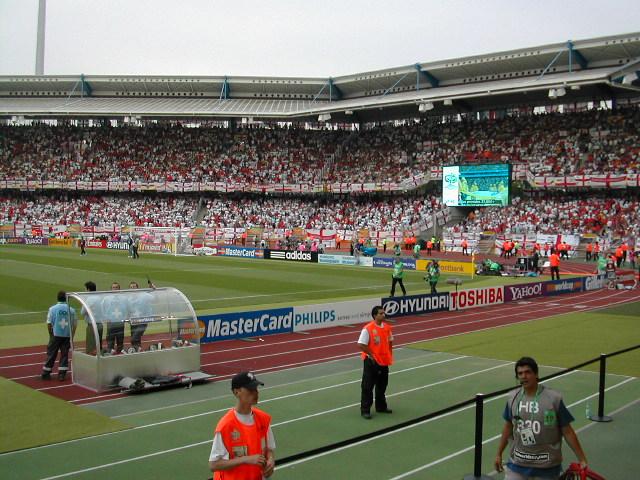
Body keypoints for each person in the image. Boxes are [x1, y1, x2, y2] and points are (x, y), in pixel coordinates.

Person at [495, 356, 588, 479]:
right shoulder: (513, 398)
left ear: (536, 374)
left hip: (547, 466)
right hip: (517, 464)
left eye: (528, 372)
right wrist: (498, 453)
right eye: (520, 373)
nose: (524, 376)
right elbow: (508, 426)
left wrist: (582, 459)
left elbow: (567, 431)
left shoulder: (553, 399)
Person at [209, 371, 275, 479]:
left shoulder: (263, 419)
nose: (256, 393)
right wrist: (246, 459)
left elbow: (269, 449)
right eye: (250, 389)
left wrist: (271, 461)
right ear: (236, 392)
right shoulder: (226, 425)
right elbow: (213, 464)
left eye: (256, 389)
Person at [357, 306, 393, 419]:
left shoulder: (387, 327)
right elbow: (361, 344)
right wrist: (372, 355)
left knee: (382, 385)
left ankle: (381, 406)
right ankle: (365, 410)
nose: (384, 315)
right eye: (381, 313)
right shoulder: (367, 328)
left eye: (384, 313)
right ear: (375, 316)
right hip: (371, 362)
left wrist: (389, 355)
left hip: (384, 361)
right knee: (367, 386)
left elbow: (390, 341)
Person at [41, 291, 76, 381]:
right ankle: (62, 375)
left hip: (55, 335)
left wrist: (51, 335)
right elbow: (74, 324)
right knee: (64, 354)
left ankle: (46, 372)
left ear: (57, 298)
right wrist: (72, 335)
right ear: (66, 298)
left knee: (51, 353)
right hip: (67, 335)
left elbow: (49, 323)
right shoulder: (71, 310)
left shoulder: (52, 309)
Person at [103, 282, 126, 354]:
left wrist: (125, 317)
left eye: (116, 287)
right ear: (111, 289)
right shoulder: (106, 298)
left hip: (120, 322)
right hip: (111, 322)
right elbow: (102, 308)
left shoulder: (124, 298)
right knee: (110, 339)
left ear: (119, 289)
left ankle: (120, 352)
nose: (115, 289)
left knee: (120, 339)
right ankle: (110, 352)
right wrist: (105, 317)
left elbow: (127, 308)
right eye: (114, 287)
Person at [82, 281, 103, 355]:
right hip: (100, 324)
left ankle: (92, 364)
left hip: (92, 325)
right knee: (99, 346)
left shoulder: (88, 299)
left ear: (88, 289)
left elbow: (82, 312)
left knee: (91, 347)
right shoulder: (100, 298)